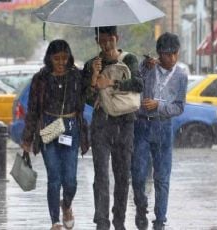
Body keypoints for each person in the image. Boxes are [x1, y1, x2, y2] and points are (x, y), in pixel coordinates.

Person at [21, 39, 88, 230]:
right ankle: (55, 221)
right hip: (48, 127)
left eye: (64, 58)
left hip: (71, 126)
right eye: (57, 58)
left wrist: (95, 77)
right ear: (49, 58)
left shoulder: (76, 76)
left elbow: (90, 93)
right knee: (54, 177)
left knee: (71, 179)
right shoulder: (40, 79)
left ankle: (66, 205)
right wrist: (27, 140)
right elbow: (32, 109)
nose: (61, 62)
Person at [82, 26, 143, 230]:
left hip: (125, 123)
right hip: (101, 124)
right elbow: (86, 97)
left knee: (122, 175)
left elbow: (138, 84)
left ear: (117, 38)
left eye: (111, 40)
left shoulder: (129, 59)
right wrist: (94, 78)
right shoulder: (91, 64)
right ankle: (102, 220)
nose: (107, 45)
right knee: (101, 175)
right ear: (97, 40)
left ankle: (119, 220)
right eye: (102, 40)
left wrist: (112, 83)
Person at [131, 32, 188, 230]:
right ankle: (141, 207)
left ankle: (160, 220)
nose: (171, 58)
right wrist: (143, 66)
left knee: (162, 177)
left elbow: (179, 107)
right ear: (159, 54)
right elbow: (134, 87)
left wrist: (158, 106)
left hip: (164, 126)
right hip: (142, 126)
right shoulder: (148, 69)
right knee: (138, 174)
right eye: (167, 54)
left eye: (175, 54)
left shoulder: (181, 75)